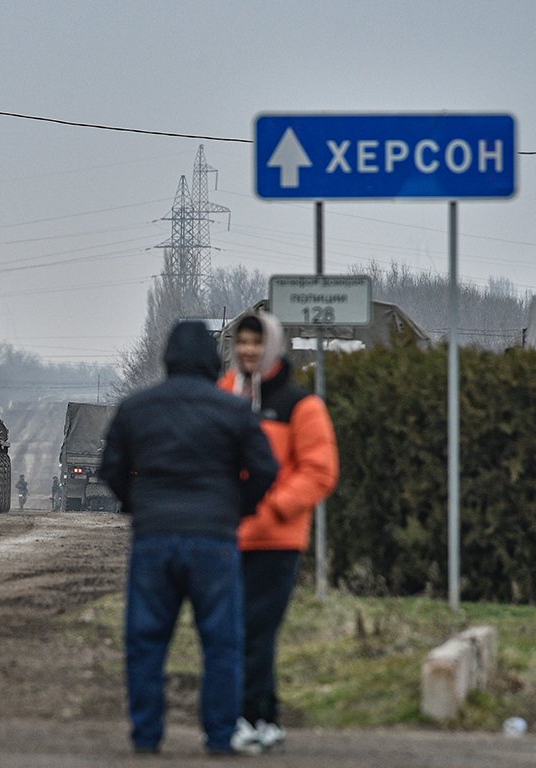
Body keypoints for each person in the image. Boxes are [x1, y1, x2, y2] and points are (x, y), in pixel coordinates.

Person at [98, 320, 278, 757]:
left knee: (146, 639)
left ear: (167, 359)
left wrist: (136, 504)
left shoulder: (137, 408)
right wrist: (238, 508)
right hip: (214, 539)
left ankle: (146, 735)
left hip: (154, 538)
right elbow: (265, 469)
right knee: (221, 641)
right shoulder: (233, 410)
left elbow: (111, 470)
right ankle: (219, 737)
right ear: (213, 362)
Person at [218, 311, 339, 752]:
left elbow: (320, 472)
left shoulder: (300, 404)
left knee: (255, 629)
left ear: (271, 346)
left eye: (256, 342)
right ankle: (266, 717)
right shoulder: (224, 395)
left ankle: (247, 716)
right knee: (241, 629)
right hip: (228, 537)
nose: (248, 350)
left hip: (277, 539)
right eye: (242, 342)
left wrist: (271, 508)